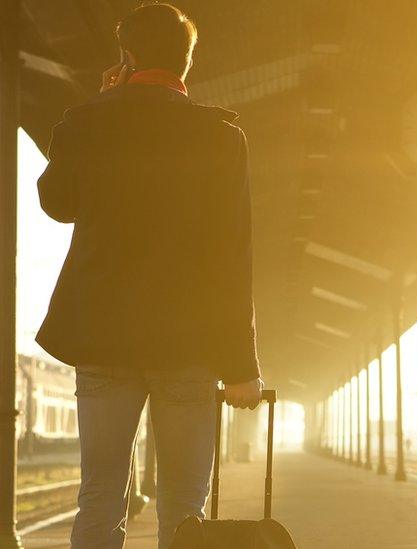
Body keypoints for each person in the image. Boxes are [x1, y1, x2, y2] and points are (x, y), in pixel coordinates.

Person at [35, 3, 263, 548]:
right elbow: (234, 257)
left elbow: (57, 202)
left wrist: (100, 105)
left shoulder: (90, 122)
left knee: (100, 496)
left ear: (128, 58)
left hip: (104, 338)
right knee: (185, 506)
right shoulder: (220, 137)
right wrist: (241, 367)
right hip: (188, 347)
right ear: (186, 62)